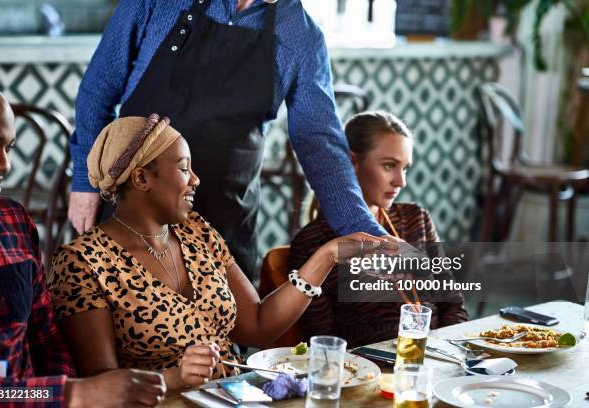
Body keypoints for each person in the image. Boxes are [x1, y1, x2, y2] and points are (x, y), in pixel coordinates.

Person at [49, 115, 394, 389]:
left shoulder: (196, 232)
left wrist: (327, 257)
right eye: (184, 168)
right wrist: (173, 378)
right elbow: (99, 386)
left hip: (231, 398)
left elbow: (257, 326)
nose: (195, 180)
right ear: (141, 179)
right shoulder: (82, 263)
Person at [68, 0, 389, 280]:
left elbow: (319, 143)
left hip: (224, 222)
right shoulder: (157, 3)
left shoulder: (302, 36)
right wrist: (85, 182)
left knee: (217, 343)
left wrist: (364, 232)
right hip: (134, 209)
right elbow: (98, 91)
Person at [0, 79, 166, 408]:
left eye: (7, 148)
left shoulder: (14, 223)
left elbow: (48, 341)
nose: (4, 164)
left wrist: (64, 394)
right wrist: (72, 394)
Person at [289, 111, 469, 348]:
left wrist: (451, 352)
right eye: (389, 166)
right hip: (369, 371)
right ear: (351, 163)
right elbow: (322, 343)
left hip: (438, 357)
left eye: (405, 168)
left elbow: (453, 304)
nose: (401, 181)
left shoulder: (417, 218)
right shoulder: (314, 242)